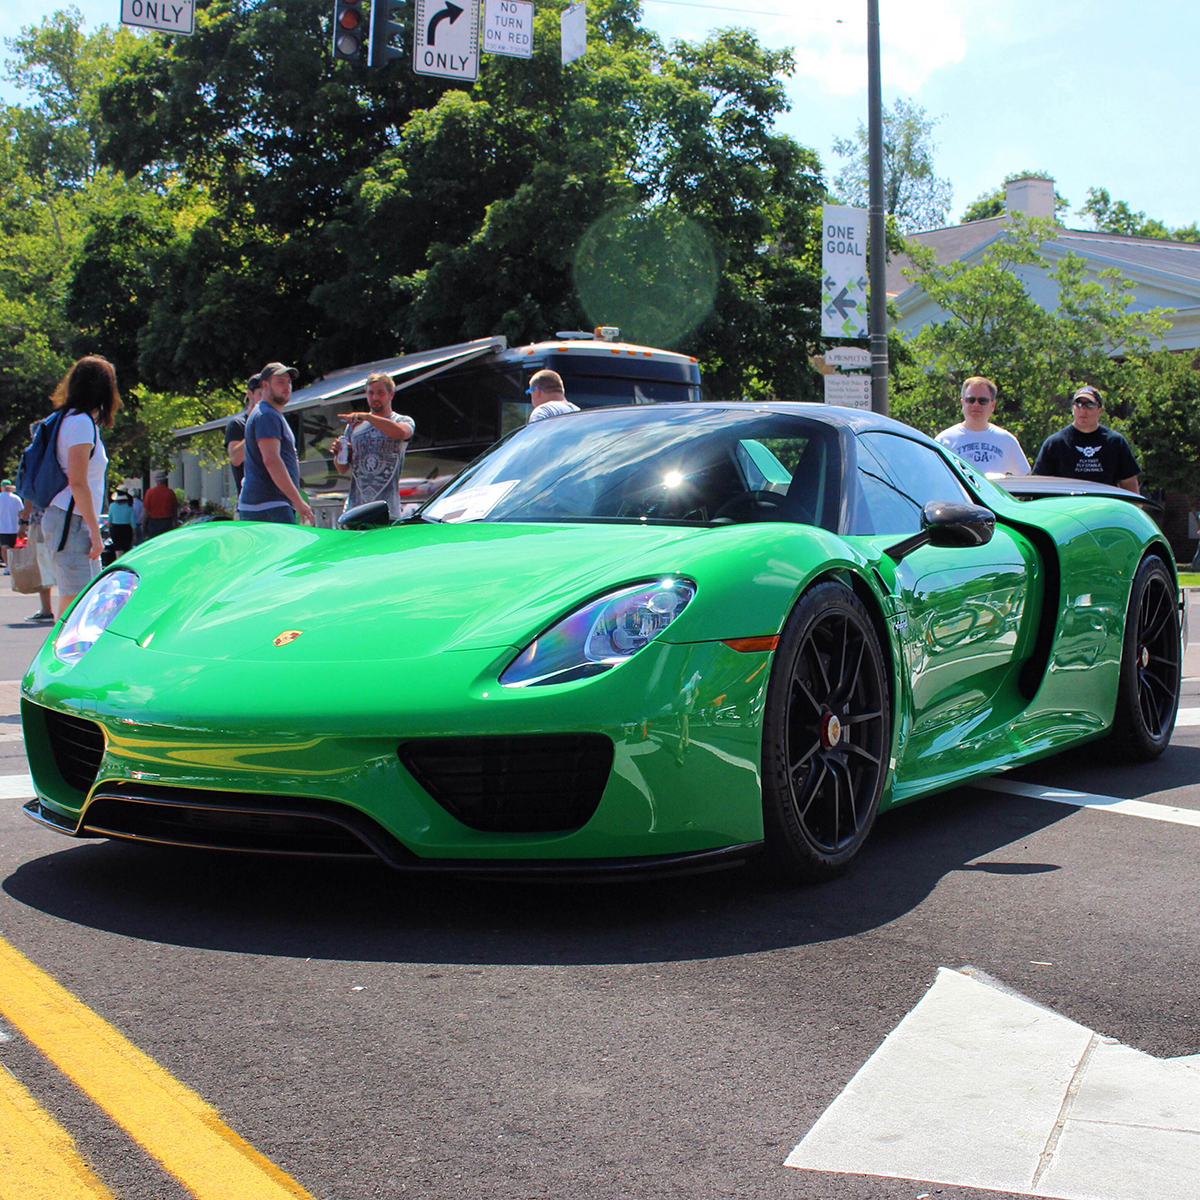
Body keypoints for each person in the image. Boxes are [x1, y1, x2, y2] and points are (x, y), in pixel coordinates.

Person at [42, 355, 119, 617]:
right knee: (76, 605)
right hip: (72, 522)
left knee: (81, 601)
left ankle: (72, 656)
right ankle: (60, 657)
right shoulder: (81, 424)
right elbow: (78, 481)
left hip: (68, 518)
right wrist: (95, 532)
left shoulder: (68, 419)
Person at [332, 372, 414, 520]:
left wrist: (368, 417)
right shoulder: (354, 426)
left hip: (388, 510)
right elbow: (343, 468)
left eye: (380, 393)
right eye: (371, 393)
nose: (375, 398)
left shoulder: (402, 420)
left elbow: (402, 433)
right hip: (355, 509)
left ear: (391, 394)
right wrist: (338, 454)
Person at [239, 362, 313, 524]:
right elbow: (272, 460)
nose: (286, 387)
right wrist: (298, 501)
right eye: (280, 382)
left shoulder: (268, 413)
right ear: (265, 385)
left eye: (289, 382)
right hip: (269, 506)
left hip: (266, 505)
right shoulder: (267, 415)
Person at [1032, 385, 1140, 493]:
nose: (1083, 409)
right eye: (1078, 404)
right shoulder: (1055, 443)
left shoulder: (1115, 442)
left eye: (1089, 405)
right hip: (1067, 508)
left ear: (1099, 411)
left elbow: (1129, 484)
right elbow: (1039, 485)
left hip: (1105, 508)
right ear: (1072, 409)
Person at [934, 377, 1030, 476]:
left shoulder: (1006, 440)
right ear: (963, 403)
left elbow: (1026, 480)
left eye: (982, 400)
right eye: (971, 400)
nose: (976, 405)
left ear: (992, 405)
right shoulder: (944, 441)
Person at [225, 373, 262, 500]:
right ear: (250, 395)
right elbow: (235, 458)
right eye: (261, 394)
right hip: (250, 502)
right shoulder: (238, 424)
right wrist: (256, 428)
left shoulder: (277, 422)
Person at [143, 473, 179, 537]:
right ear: (165, 480)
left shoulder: (150, 492)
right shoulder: (170, 492)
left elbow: (146, 510)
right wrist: (175, 523)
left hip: (153, 522)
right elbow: (174, 510)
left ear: (156, 481)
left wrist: (143, 524)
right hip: (167, 521)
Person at [0, 479, 22, 574]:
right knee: (13, 547)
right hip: (14, 526)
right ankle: (13, 565)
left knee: (4, 546)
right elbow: (21, 512)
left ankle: (7, 566)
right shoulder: (16, 498)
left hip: (2, 527)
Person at [107, 489, 136, 556]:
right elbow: (132, 522)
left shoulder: (112, 505)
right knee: (126, 549)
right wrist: (134, 534)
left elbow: (109, 520)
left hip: (115, 528)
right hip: (126, 529)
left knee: (118, 549)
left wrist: (109, 530)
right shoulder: (129, 506)